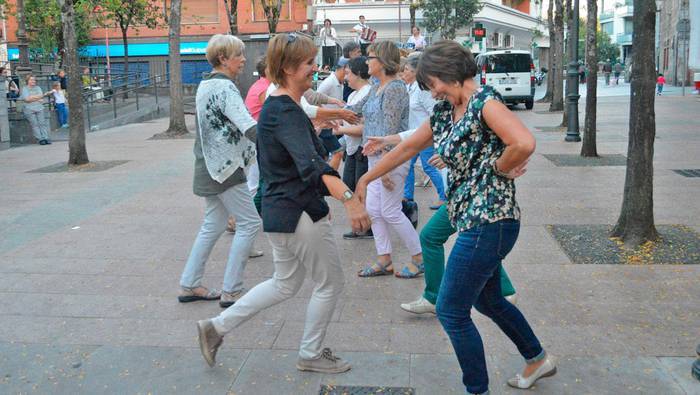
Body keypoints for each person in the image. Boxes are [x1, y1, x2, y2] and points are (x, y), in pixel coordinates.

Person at [355, 40, 555, 394]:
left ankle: (477, 389)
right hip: (469, 216)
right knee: (488, 300)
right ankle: (537, 358)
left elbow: (522, 143)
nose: (433, 91)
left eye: (433, 83)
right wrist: (367, 177)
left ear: (448, 74)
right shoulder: (446, 112)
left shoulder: (485, 102)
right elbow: (407, 148)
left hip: (491, 220)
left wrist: (499, 168)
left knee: (450, 311)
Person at [196, 33, 371, 374]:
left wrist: (317, 125)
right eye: (309, 63)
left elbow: (302, 157)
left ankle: (216, 327)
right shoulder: (284, 111)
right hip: (299, 213)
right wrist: (350, 200)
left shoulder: (282, 106)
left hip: (281, 213)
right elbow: (312, 167)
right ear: (289, 68)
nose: (314, 70)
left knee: (284, 283)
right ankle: (310, 353)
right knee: (330, 283)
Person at [363, 131, 518, 315]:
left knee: (454, 240)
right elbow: (417, 136)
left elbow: (518, 142)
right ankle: (437, 297)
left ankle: (440, 298)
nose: (435, 99)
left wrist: (502, 166)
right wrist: (385, 141)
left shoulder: (478, 106)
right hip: (460, 193)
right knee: (438, 238)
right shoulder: (447, 110)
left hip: (475, 194)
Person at [178, 34, 262, 309]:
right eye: (238, 55)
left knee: (211, 225)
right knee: (250, 223)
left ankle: (190, 284)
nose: (243, 59)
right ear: (224, 58)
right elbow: (248, 126)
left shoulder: (205, 84)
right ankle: (232, 290)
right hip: (225, 168)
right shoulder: (225, 89)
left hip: (208, 165)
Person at [345, 41, 423, 279]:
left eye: (370, 57)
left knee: (389, 211)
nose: (366, 61)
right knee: (374, 211)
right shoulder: (377, 86)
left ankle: (419, 258)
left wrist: (385, 170)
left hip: (391, 159)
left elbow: (390, 129)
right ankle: (384, 259)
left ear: (383, 61)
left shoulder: (395, 88)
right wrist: (330, 116)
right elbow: (355, 109)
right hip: (374, 157)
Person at [333, 56, 373, 240]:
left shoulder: (367, 93)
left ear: (358, 73)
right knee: (349, 185)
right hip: (351, 148)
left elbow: (364, 128)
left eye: (348, 73)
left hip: (362, 149)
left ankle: (367, 226)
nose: (346, 77)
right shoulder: (352, 95)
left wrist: (339, 129)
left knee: (360, 188)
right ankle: (360, 224)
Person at [401, 55, 445, 210]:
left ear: (415, 72)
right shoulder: (408, 87)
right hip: (412, 135)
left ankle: (444, 197)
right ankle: (407, 197)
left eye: (406, 70)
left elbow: (433, 112)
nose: (403, 72)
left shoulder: (422, 90)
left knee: (429, 167)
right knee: (406, 165)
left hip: (424, 136)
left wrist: (431, 133)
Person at [19, 75, 53, 145]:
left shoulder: (38, 87)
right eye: (31, 80)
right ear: (27, 81)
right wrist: (38, 98)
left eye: (34, 80)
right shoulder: (25, 88)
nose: (33, 81)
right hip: (29, 108)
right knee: (35, 124)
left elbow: (41, 96)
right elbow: (27, 99)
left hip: (39, 107)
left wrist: (32, 97)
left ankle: (45, 137)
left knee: (42, 123)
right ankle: (40, 139)